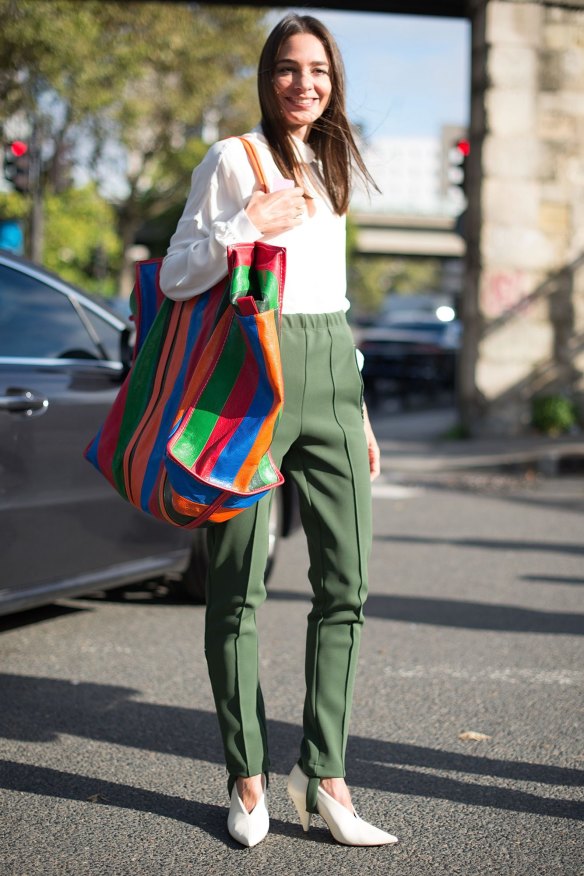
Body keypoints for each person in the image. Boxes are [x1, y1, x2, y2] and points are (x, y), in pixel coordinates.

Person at [160, 13, 397, 849]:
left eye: (320, 71)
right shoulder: (235, 159)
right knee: (236, 589)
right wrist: (245, 224)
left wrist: (358, 406)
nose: (306, 84)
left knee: (347, 586)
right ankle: (248, 777)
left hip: (330, 370)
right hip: (250, 379)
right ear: (268, 77)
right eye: (290, 69)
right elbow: (176, 271)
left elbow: (331, 292)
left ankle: (326, 776)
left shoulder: (335, 163)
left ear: (334, 81)